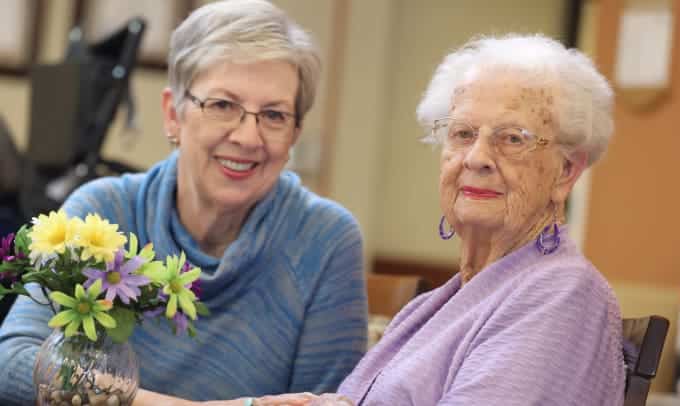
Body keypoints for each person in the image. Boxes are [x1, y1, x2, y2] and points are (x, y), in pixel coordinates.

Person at [0, 1, 368, 404]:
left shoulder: (325, 240)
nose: (248, 137)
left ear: (295, 132)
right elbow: (11, 367)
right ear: (173, 114)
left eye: (274, 115)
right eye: (223, 105)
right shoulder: (103, 212)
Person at [251, 34, 625, 406]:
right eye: (462, 134)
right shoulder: (435, 304)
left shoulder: (563, 296)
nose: (476, 158)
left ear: (565, 172)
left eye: (512, 138)